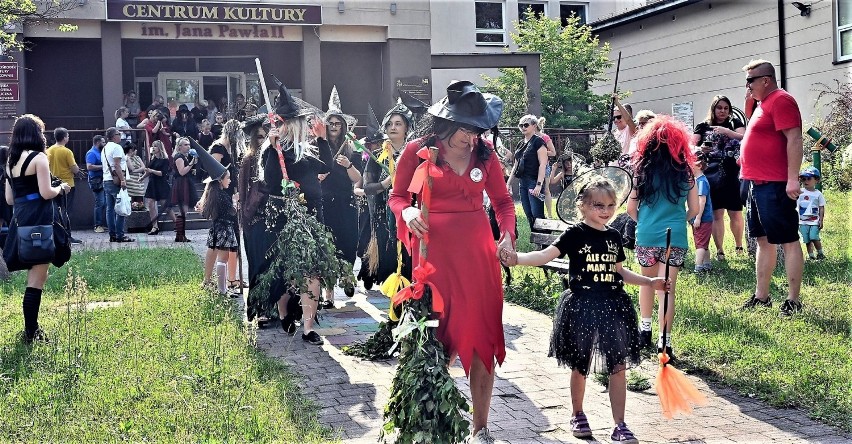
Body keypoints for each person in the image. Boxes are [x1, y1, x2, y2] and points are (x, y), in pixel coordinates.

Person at [389, 80, 515, 443]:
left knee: (480, 339)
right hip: (433, 259)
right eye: (464, 129)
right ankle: (434, 423)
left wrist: (506, 234)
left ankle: (481, 428)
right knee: (435, 340)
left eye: (477, 130)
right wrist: (409, 209)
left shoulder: (486, 155)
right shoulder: (417, 150)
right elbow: (397, 197)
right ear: (445, 123)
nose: (471, 137)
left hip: (478, 258)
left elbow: (504, 204)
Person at [500, 178, 667, 444]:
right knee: (580, 364)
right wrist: (517, 258)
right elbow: (545, 256)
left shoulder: (613, 236)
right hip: (582, 306)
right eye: (598, 205)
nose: (606, 211)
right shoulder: (575, 234)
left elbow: (620, 272)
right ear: (582, 205)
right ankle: (577, 413)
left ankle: (620, 424)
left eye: (611, 205)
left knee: (618, 366)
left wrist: (649, 281)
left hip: (613, 306)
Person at [626, 115, 698, 357]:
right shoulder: (685, 172)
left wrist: (645, 223)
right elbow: (695, 209)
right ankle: (664, 340)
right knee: (667, 289)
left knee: (646, 283)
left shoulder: (641, 170)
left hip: (646, 234)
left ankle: (643, 331)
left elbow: (630, 209)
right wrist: (680, 221)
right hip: (674, 237)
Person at [739, 59, 805, 317]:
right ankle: (761, 296)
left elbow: (795, 138)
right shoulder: (762, 103)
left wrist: (792, 178)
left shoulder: (781, 100)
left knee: (788, 240)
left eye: (750, 81)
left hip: (776, 184)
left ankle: (793, 300)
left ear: (765, 80)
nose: (747, 86)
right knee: (762, 240)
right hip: (756, 184)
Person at [3, 114, 73, 343]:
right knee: (36, 280)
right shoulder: (39, 158)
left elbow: (10, 198)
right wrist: (61, 188)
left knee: (33, 276)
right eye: (41, 132)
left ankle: (31, 331)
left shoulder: (10, 162)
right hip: (40, 220)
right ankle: (31, 333)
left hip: (20, 220)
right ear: (36, 134)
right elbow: (46, 193)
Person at [359, 100, 414, 289]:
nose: (393, 127)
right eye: (390, 124)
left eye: (398, 124)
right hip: (384, 216)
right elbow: (367, 187)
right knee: (390, 255)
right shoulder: (378, 156)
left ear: (407, 128)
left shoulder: (415, 153)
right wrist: (386, 183)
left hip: (409, 214)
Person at [319, 86, 362, 306]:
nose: (334, 127)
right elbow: (311, 175)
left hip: (346, 203)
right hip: (326, 203)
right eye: (330, 124)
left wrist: (348, 165)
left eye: (337, 124)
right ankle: (328, 295)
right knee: (328, 247)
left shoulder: (350, 148)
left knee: (348, 243)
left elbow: (357, 179)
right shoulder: (319, 147)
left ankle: (347, 276)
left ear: (343, 126)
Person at [692, 95, 746, 260]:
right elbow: (691, 145)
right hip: (711, 171)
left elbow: (745, 137)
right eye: (719, 108)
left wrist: (727, 132)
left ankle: (739, 246)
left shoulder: (735, 123)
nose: (722, 111)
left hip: (731, 171)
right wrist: (701, 148)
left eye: (726, 108)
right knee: (717, 213)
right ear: (713, 109)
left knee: (735, 212)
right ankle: (720, 250)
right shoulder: (703, 126)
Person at [196, 148, 238, 297]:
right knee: (223, 258)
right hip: (224, 229)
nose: (230, 180)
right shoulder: (222, 196)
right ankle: (222, 290)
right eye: (228, 178)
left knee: (221, 257)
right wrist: (235, 201)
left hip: (217, 228)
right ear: (220, 180)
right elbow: (232, 211)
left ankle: (219, 287)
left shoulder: (215, 194)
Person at [207, 119, 243, 290]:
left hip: (230, 194)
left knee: (232, 238)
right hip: (221, 195)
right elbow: (215, 173)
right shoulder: (218, 148)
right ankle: (208, 278)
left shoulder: (231, 150)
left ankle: (232, 278)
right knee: (218, 240)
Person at [46, 127, 82, 245]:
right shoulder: (67, 151)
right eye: (68, 136)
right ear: (65, 137)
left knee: (56, 211)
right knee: (66, 211)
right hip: (67, 185)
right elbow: (74, 168)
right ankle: (67, 236)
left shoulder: (49, 150)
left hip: (54, 185)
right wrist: (78, 171)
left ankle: (58, 235)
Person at [511, 114, 548, 229]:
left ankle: (544, 241)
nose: (523, 127)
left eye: (526, 125)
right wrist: (508, 183)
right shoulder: (521, 143)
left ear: (534, 126)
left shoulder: (538, 142)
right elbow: (515, 165)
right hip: (523, 182)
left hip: (534, 181)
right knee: (529, 214)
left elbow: (543, 164)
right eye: (521, 125)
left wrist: (539, 185)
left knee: (537, 214)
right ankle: (537, 240)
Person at [102, 128, 134, 243]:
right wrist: (122, 180)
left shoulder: (105, 148)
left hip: (106, 180)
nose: (120, 135)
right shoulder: (117, 147)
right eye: (118, 134)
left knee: (110, 209)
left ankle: (112, 234)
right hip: (115, 180)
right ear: (113, 136)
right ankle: (120, 235)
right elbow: (117, 165)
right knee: (121, 208)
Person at [170, 137, 199, 243]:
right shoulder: (179, 157)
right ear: (180, 146)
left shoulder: (183, 157)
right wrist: (191, 163)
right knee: (183, 210)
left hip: (185, 183)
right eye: (185, 145)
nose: (188, 146)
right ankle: (179, 235)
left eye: (188, 145)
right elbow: (182, 172)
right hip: (181, 184)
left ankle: (181, 235)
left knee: (184, 211)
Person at [691, 149, 714, 273]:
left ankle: (698, 267)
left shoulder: (701, 182)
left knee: (699, 244)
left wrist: (697, 217)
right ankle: (707, 264)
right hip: (703, 219)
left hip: (702, 218)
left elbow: (702, 201)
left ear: (699, 166)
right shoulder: (699, 181)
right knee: (704, 242)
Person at [796, 166, 826, 260]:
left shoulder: (818, 194)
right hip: (802, 221)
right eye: (803, 179)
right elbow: (796, 206)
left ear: (816, 180)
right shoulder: (800, 192)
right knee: (807, 239)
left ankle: (820, 253)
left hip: (814, 221)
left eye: (809, 179)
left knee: (814, 237)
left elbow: (821, 207)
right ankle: (811, 255)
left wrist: (821, 220)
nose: (806, 181)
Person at [143, 141, 171, 235]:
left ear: (160, 148)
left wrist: (151, 170)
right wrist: (142, 177)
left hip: (161, 184)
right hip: (152, 183)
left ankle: (176, 222)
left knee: (165, 206)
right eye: (152, 146)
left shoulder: (165, 160)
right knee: (150, 204)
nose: (153, 148)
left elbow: (162, 173)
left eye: (155, 146)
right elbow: (148, 171)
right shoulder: (153, 159)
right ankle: (155, 226)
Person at [536, 117, 557, 218]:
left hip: (545, 166)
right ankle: (539, 214)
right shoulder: (528, 137)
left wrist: (541, 152)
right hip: (532, 168)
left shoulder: (544, 137)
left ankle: (549, 214)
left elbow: (553, 152)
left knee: (546, 190)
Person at [85, 135, 106, 233]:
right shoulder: (92, 153)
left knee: (104, 203)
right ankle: (97, 225)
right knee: (100, 202)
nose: (104, 144)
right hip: (96, 180)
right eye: (103, 142)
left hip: (101, 179)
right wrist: (103, 166)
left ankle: (101, 224)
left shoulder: (99, 152)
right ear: (97, 142)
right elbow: (89, 167)